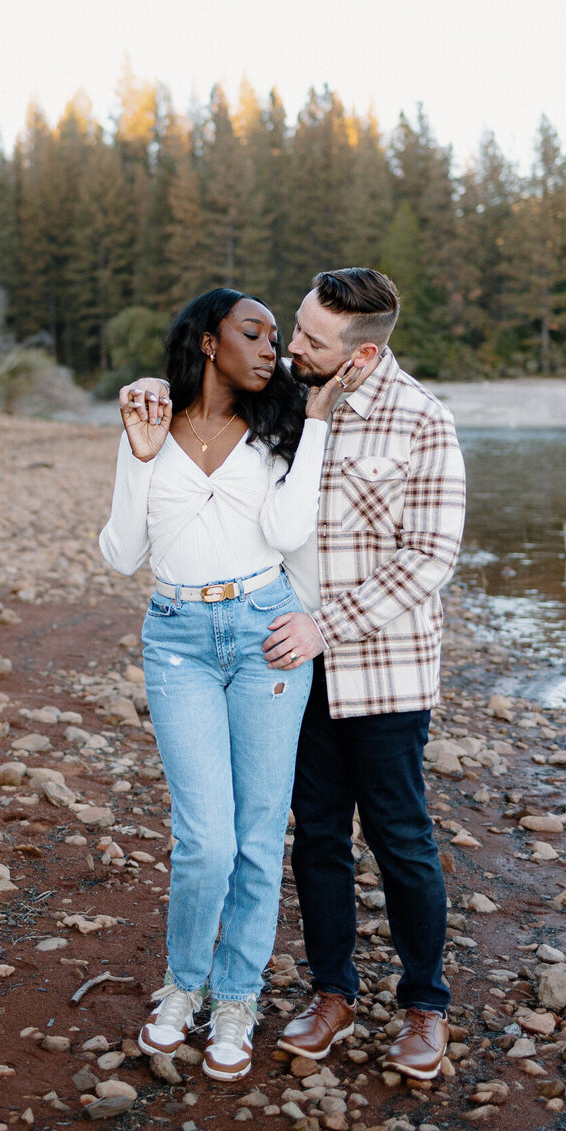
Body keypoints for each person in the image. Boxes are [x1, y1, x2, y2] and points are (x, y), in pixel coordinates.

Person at [125, 268, 466, 1083]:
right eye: (296, 331)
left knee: (400, 838)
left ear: (363, 352)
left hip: (379, 666)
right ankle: (332, 993)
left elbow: (431, 556)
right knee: (314, 836)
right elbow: (198, 395)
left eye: (311, 339)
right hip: (281, 659)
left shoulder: (423, 421)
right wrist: (147, 386)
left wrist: (326, 625)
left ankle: (425, 1006)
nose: (293, 349)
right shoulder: (282, 398)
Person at [99, 288, 355, 1082]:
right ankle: (183, 984)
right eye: (253, 332)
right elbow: (121, 553)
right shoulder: (153, 425)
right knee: (203, 841)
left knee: (255, 838)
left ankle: (236, 997)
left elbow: (285, 533)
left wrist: (311, 423)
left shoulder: (278, 428)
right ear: (209, 342)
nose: (270, 347)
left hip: (265, 635)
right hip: (178, 640)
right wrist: (141, 458)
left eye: (277, 336)